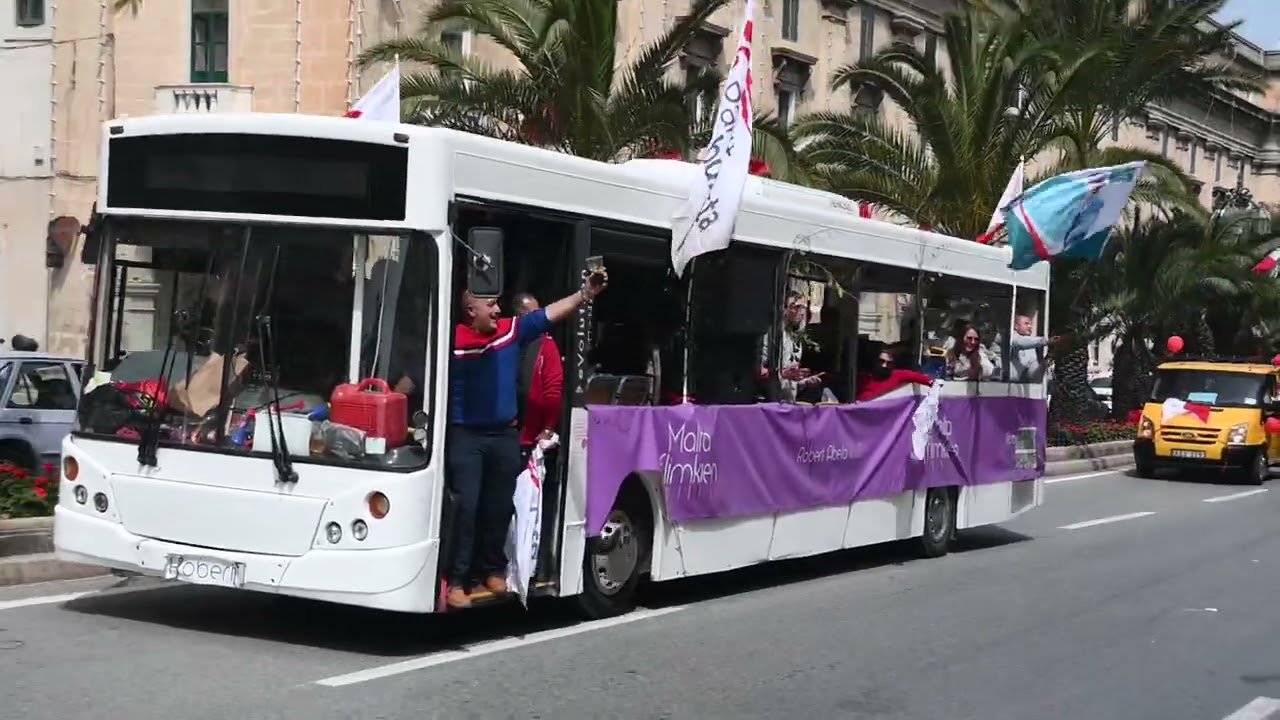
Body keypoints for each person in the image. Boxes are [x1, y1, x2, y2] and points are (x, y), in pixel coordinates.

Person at [446, 272, 607, 609]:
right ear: (469, 310)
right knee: (466, 507)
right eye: (489, 304)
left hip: (505, 435)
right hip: (467, 437)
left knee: (499, 506)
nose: (497, 308)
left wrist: (585, 293)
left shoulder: (510, 331)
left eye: (497, 303)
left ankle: (491, 568)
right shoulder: (452, 342)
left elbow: (550, 313)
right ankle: (457, 580)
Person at [513, 292, 564, 452]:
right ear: (520, 315)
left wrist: (548, 428)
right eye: (535, 313)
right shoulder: (505, 342)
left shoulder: (546, 345)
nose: (540, 319)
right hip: (506, 436)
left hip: (532, 437)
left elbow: (553, 391)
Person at [856, 341, 934, 401]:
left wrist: (934, 384)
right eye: (881, 361)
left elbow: (919, 377)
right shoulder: (863, 379)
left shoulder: (897, 375)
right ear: (875, 361)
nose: (884, 365)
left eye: (888, 363)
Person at [1009, 313, 1060, 382]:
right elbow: (1020, 342)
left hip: (1017, 385)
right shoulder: (1010, 336)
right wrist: (1047, 341)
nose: (1030, 326)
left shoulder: (1031, 347)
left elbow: (1032, 374)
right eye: (1026, 324)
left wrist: (1044, 363)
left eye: (1030, 324)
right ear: (1015, 326)